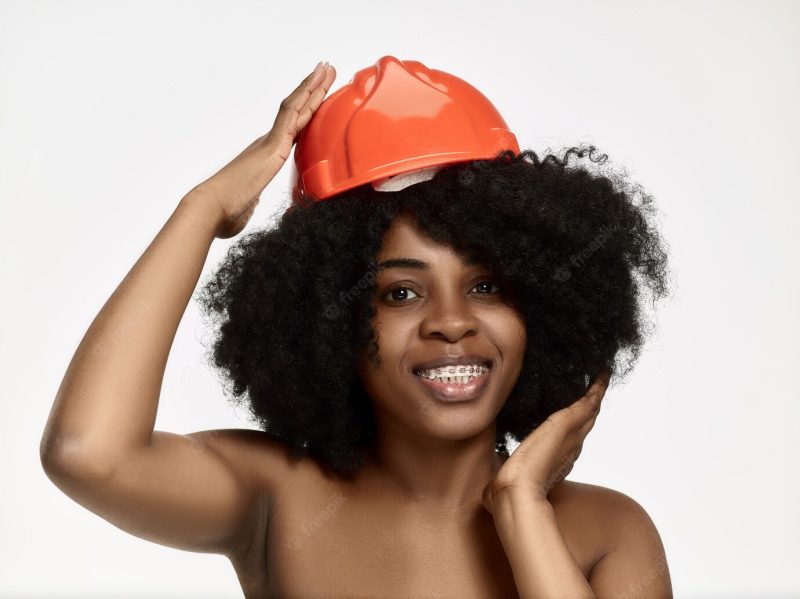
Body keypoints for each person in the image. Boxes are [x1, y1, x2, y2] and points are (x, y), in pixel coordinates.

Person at [40, 57, 673, 598]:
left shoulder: (608, 532)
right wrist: (202, 210)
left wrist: (521, 507)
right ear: (332, 321)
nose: (451, 322)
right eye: (401, 292)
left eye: (486, 286)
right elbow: (88, 454)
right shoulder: (278, 496)